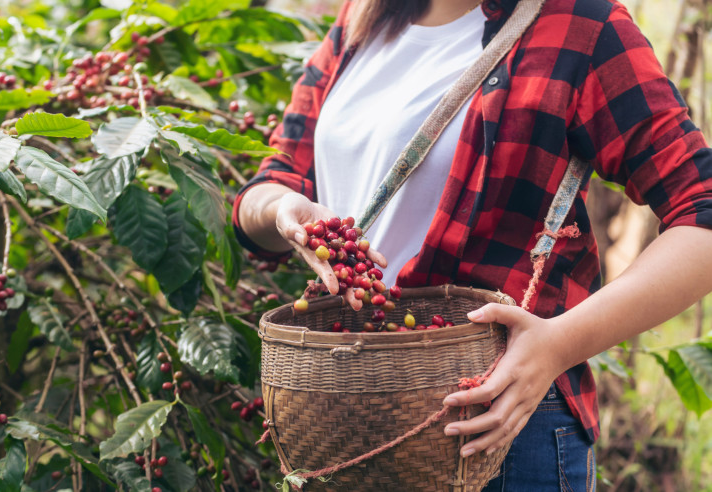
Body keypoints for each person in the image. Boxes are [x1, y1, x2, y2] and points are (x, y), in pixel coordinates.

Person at [232, 0, 712, 489]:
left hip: (495, 421)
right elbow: (269, 184)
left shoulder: (582, 25)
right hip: (350, 413)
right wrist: (281, 211)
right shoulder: (364, 17)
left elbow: (703, 211)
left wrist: (559, 344)